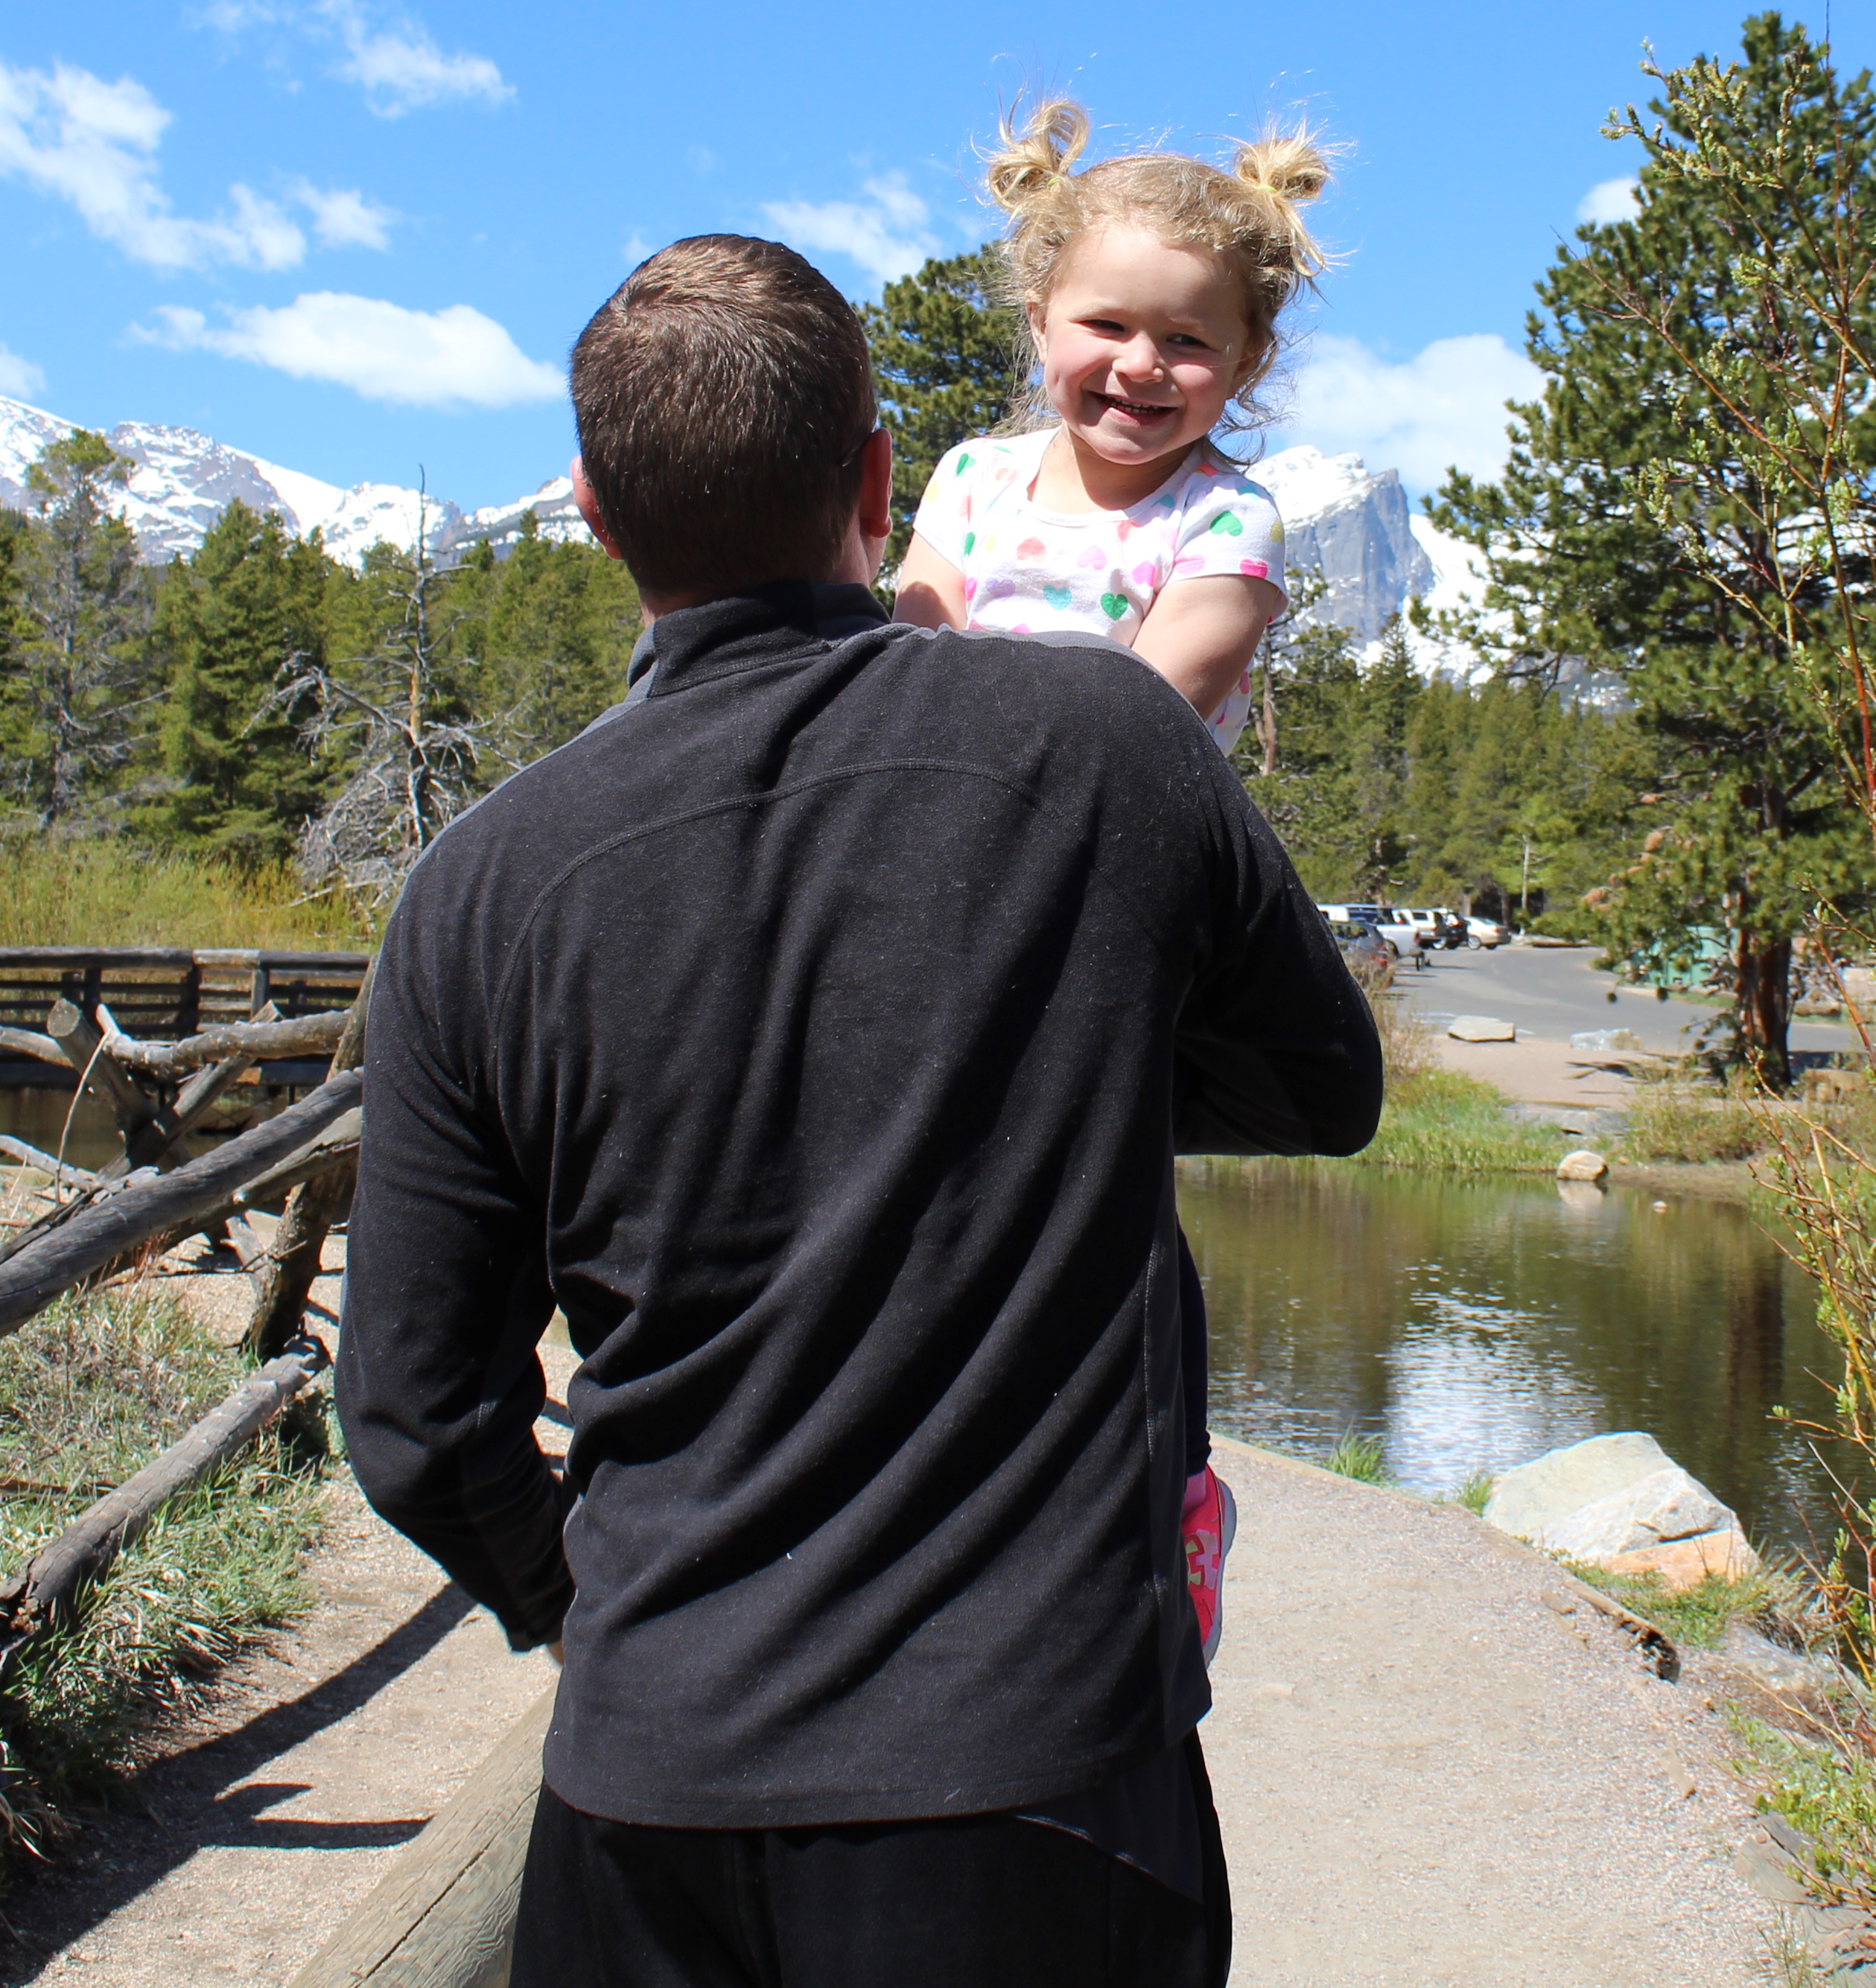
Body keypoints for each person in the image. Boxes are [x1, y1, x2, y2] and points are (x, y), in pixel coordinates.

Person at [339, 234, 1383, 1988]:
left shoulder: (478, 886)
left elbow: (415, 1418)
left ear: (594, 511)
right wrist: (1066, 1058)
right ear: (881, 481)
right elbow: (1324, 1092)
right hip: (1041, 1783)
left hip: (645, 1791)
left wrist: (581, 1610)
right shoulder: (1110, 746)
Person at [888, 100, 1326, 1654]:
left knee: (1104, 1196)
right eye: (1109, 326)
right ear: (1039, 318)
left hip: (1114, 909)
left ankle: (1164, 1495)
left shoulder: (1230, 519)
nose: (1142, 367)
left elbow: (1150, 701)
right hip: (944, 889)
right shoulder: (967, 479)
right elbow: (909, 651)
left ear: (1247, 367)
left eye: (1189, 345)